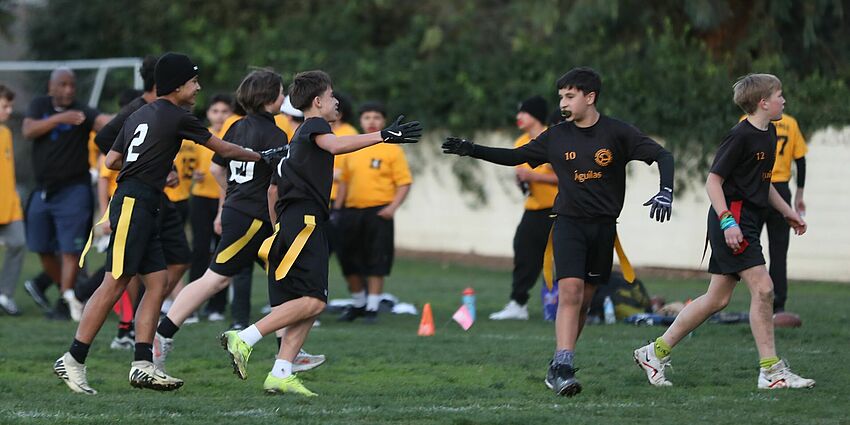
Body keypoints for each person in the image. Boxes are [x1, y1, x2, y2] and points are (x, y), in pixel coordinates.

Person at [442, 67, 674, 396]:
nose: (563, 103)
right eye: (561, 97)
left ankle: (558, 363)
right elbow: (516, 156)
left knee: (585, 301)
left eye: (570, 96)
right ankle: (564, 365)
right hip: (568, 225)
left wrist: (666, 190)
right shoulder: (556, 136)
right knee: (570, 294)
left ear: (589, 97)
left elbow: (662, 155)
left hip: (604, 229)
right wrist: (471, 149)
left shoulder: (617, 133)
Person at [53, 52, 268, 395]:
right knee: (114, 284)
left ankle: (142, 364)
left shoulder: (140, 113)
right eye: (194, 81)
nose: (199, 88)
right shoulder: (178, 116)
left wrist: (149, 163)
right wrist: (262, 155)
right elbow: (223, 149)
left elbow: (111, 160)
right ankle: (73, 359)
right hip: (136, 203)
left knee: (158, 282)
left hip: (144, 203)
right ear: (178, 85)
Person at [219, 70, 421, 396]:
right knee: (313, 302)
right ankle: (244, 338)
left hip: (294, 222)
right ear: (317, 102)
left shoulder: (297, 137)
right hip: (305, 223)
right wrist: (383, 135)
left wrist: (278, 227)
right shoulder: (315, 125)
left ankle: (281, 372)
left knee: (309, 302)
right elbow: (337, 146)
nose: (336, 101)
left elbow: (273, 192)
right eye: (331, 96)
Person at [633, 74, 814, 390]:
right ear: (763, 102)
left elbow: (764, 182)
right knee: (764, 288)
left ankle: (654, 352)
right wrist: (728, 221)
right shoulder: (740, 136)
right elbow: (712, 181)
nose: (784, 101)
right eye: (779, 95)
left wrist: (788, 213)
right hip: (733, 222)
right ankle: (771, 372)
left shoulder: (769, 133)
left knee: (716, 300)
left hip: (745, 222)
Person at [153, 70, 286, 371]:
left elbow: (216, 169)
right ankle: (162, 335)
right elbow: (273, 189)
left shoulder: (234, 126)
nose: (284, 98)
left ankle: (288, 356)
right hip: (254, 217)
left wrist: (231, 196)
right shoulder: (275, 133)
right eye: (280, 92)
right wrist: (277, 223)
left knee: (284, 279)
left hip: (240, 212)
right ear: (267, 99)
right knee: (216, 278)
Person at [22, 67, 111, 321]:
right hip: (42, 190)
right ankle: (69, 296)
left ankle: (67, 299)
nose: (68, 89)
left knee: (70, 250)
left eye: (71, 85)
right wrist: (59, 119)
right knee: (41, 247)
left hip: (74, 189)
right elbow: (28, 130)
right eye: (62, 85)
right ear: (51, 87)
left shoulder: (82, 111)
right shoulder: (40, 106)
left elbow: (104, 121)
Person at [335, 101, 412, 323]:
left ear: (384, 121)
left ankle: (372, 307)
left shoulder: (393, 150)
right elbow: (345, 183)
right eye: (367, 117)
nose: (371, 122)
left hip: (379, 212)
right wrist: (338, 211)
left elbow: (404, 183)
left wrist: (392, 207)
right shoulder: (352, 147)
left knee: (376, 259)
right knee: (349, 259)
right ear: (360, 121)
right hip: (351, 212)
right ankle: (358, 303)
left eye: (376, 117)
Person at [489, 95, 558, 321]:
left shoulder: (555, 137)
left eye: (523, 112)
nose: (518, 117)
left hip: (560, 209)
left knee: (570, 259)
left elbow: (568, 177)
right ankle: (518, 304)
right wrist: (523, 182)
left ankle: (586, 306)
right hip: (534, 207)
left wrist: (533, 176)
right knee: (523, 250)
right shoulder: (520, 142)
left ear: (536, 116)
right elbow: (527, 177)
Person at [190, 94, 233, 322]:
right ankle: (193, 305)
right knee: (198, 251)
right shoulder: (199, 136)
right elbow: (191, 169)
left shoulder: (232, 135)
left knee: (221, 252)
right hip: (200, 199)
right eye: (215, 111)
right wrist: (194, 176)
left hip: (225, 199)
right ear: (208, 113)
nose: (219, 115)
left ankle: (217, 306)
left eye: (224, 111)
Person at [760, 114, 807, 312]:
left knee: (746, 246)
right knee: (779, 251)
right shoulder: (790, 123)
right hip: (781, 188)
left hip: (758, 187)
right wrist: (799, 195)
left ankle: (759, 298)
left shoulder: (748, 119)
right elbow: (801, 161)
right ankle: (778, 304)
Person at [0, 85, 25, 316]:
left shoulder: (6, 133)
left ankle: (5, 294)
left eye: (10, 106)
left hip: (9, 204)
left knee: (18, 242)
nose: (8, 111)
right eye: (5, 106)